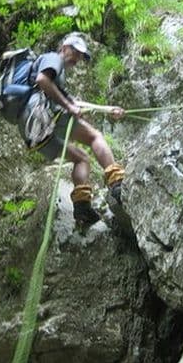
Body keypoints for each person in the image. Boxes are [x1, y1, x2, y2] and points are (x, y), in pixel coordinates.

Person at [18, 33, 126, 224]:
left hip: (33, 130)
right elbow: (43, 80)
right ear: (63, 47)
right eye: (75, 51)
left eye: (81, 56)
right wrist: (68, 108)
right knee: (95, 138)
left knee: (81, 159)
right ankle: (116, 183)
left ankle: (82, 207)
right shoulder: (53, 58)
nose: (77, 58)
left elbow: (73, 101)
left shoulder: (57, 77)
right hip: (47, 116)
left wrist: (108, 109)